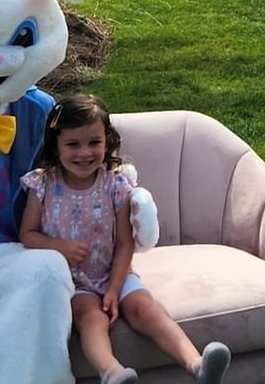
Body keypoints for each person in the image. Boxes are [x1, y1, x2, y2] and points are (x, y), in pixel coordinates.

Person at [21, 95, 230, 384]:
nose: (85, 152)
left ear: (107, 141)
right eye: (73, 144)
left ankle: (198, 365)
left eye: (94, 142)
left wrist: (115, 288)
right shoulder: (43, 183)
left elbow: (124, 243)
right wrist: (60, 247)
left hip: (116, 272)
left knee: (146, 309)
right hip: (74, 282)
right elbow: (27, 234)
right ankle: (112, 372)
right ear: (56, 146)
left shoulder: (115, 184)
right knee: (91, 319)